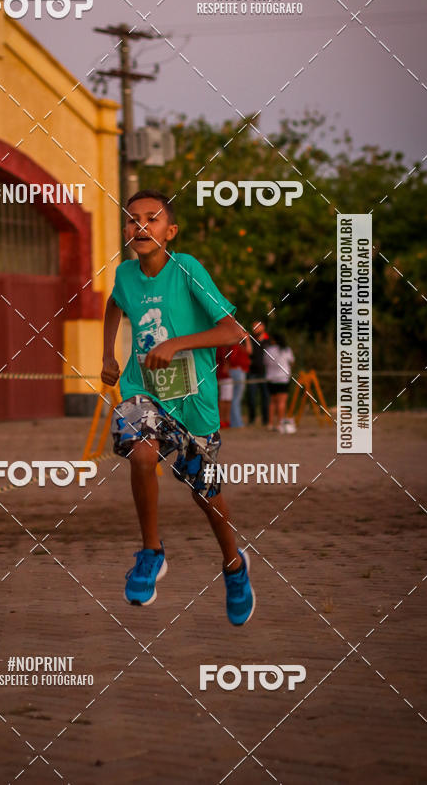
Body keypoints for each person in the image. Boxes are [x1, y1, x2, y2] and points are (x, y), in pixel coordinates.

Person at [101, 190, 256, 626]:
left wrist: (176, 343)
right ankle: (151, 552)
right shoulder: (126, 275)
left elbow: (232, 331)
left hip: (194, 403)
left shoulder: (187, 268)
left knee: (205, 494)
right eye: (132, 220)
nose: (141, 226)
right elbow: (114, 304)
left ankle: (233, 566)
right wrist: (109, 354)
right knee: (141, 451)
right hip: (143, 390)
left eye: (152, 218)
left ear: (170, 232)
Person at [264, 331, 295, 431]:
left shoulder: (268, 350)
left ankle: (270, 423)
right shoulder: (286, 350)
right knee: (282, 402)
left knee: (272, 401)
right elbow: (292, 362)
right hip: (283, 378)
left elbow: (265, 363)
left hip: (271, 378)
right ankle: (280, 423)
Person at [247, 321, 270, 426]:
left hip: (265, 372)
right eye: (254, 326)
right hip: (252, 372)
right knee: (251, 397)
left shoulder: (268, 341)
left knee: (265, 397)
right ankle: (252, 419)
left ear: (263, 327)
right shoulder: (250, 340)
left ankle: (265, 420)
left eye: (257, 326)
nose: (255, 328)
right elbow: (249, 353)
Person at [227, 337, 250, 428]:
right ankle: (236, 423)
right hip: (238, 370)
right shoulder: (236, 345)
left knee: (237, 398)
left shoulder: (238, 345)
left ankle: (236, 421)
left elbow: (249, 351)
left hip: (239, 370)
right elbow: (232, 358)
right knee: (236, 398)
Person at [216, 346, 233, 429]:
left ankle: (226, 420)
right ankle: (222, 420)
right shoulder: (221, 347)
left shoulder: (227, 347)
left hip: (226, 375)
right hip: (223, 375)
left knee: (227, 398)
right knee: (223, 398)